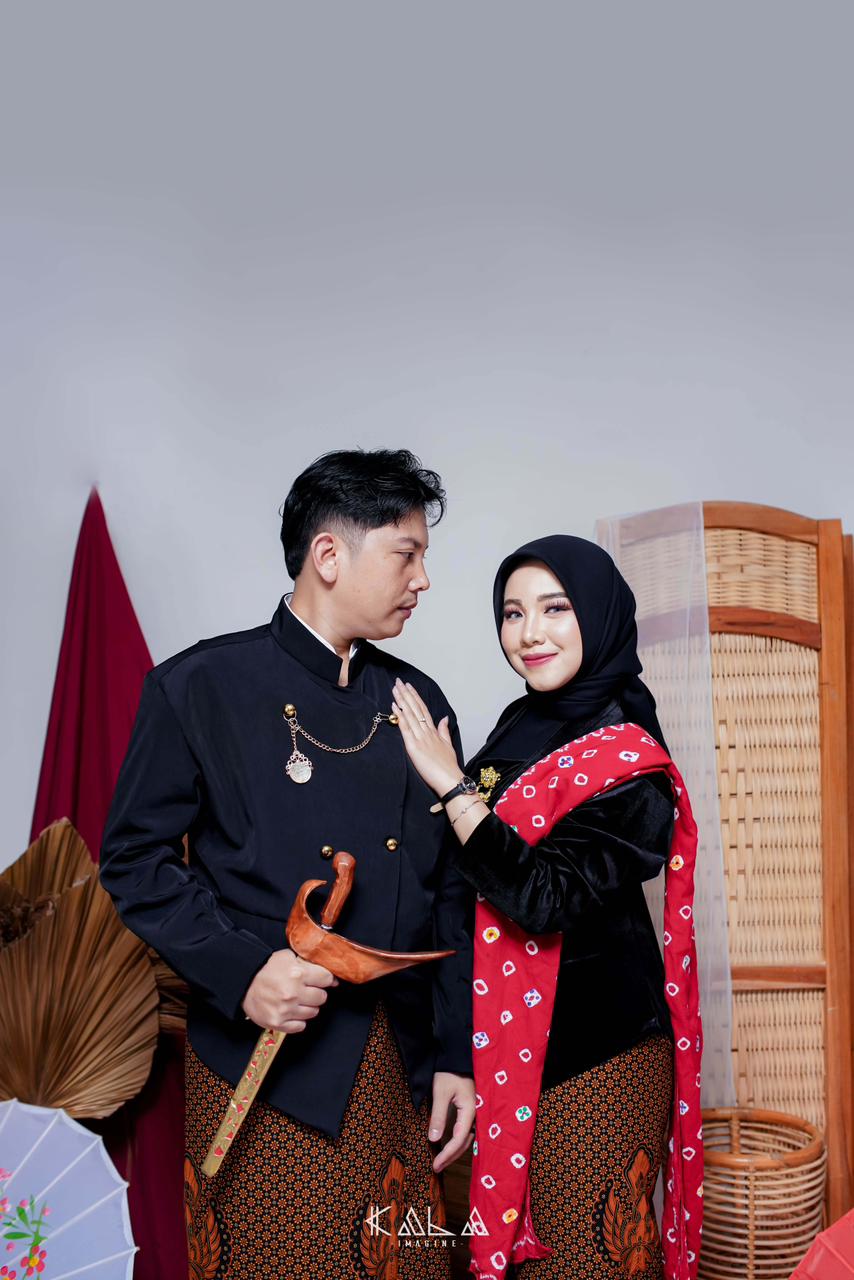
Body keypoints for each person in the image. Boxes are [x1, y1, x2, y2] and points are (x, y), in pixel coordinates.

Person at [100, 448, 476, 1280]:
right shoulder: (199, 686)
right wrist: (244, 972)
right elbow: (133, 861)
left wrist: (457, 1055)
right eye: (407, 555)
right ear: (329, 556)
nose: (422, 580)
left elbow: (453, 894)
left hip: (402, 1065)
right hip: (265, 1060)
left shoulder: (418, 701)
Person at [390, 535, 703, 1280]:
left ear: (599, 614)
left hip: (600, 1059)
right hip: (507, 1049)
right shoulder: (518, 727)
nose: (529, 633)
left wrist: (451, 786)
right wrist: (455, 1052)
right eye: (512, 613)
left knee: (587, 1261)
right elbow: (460, 882)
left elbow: (543, 897)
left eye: (555, 608)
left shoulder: (631, 758)